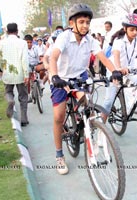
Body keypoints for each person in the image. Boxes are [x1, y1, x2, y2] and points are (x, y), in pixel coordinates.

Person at [49, 3, 123, 175]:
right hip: (61, 79)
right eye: (81, 22)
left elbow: (102, 56)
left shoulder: (90, 39)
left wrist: (115, 71)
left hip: (80, 77)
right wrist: (54, 76)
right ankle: (59, 155)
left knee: (88, 106)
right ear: (72, 23)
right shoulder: (64, 37)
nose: (85, 26)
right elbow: (53, 58)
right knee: (59, 117)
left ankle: (89, 131)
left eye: (87, 22)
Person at [0, 23, 29, 126]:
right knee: (23, 96)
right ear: (17, 30)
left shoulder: (2, 43)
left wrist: (2, 70)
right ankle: (24, 118)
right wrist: (26, 75)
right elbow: (24, 59)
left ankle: (10, 101)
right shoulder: (23, 43)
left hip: (7, 72)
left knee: (8, 92)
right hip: (20, 73)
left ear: (7, 31)